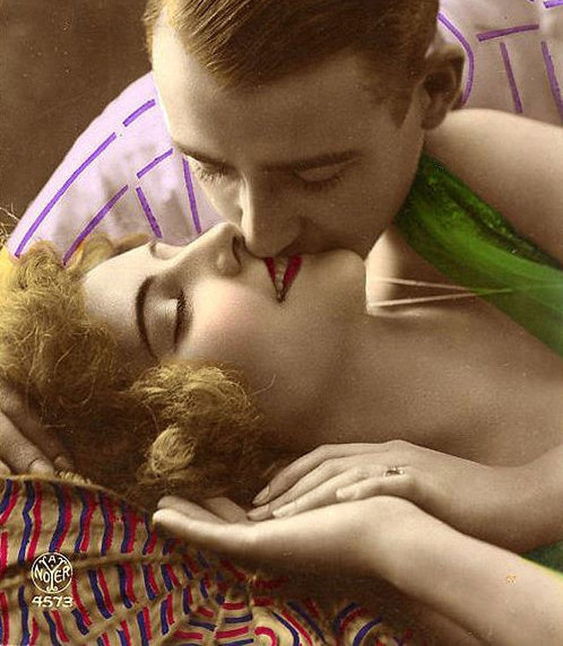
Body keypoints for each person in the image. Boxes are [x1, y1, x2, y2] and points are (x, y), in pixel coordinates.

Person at [2, 0, 563, 559]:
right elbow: (37, 334)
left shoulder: (493, 125)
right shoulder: (137, 182)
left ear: (433, 93)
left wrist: (526, 497)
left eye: (317, 175)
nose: (255, 232)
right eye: (211, 169)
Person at [1, 225, 563, 644]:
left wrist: (528, 495)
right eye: (175, 312)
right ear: (191, 446)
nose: (222, 234)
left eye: (172, 246)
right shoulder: (426, 588)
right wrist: (389, 539)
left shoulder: (439, 224)